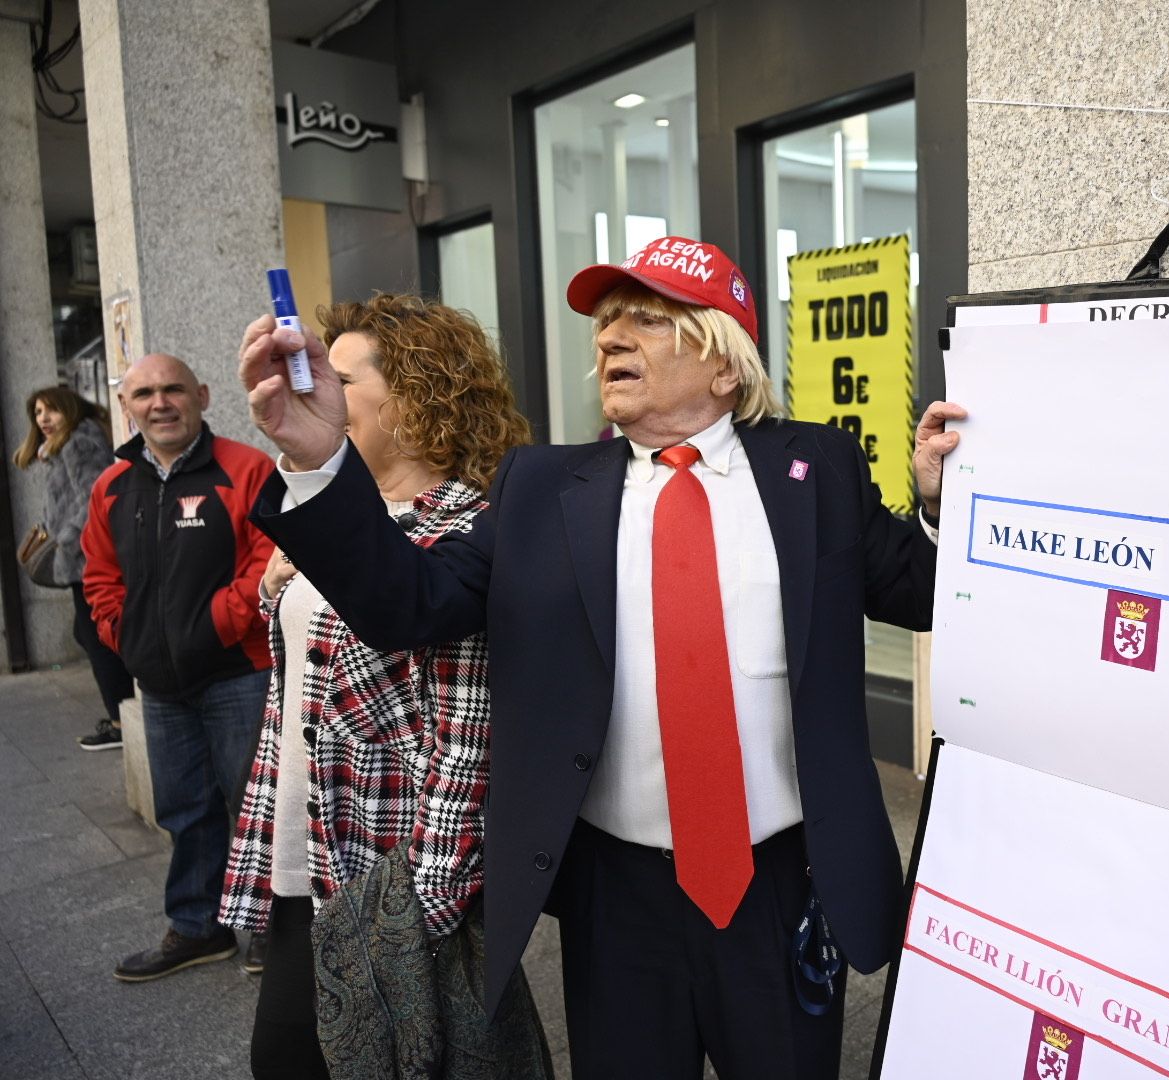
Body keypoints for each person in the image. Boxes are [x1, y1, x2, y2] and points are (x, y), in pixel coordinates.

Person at [239, 236, 965, 1079]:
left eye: (647, 320)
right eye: (607, 321)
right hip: (616, 904)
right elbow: (410, 605)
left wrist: (939, 505)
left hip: (782, 885)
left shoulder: (819, 468)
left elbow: (915, 592)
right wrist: (321, 460)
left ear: (724, 365)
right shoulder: (541, 489)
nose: (611, 337)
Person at [219, 295, 534, 1078]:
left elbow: (467, 738)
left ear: (419, 396)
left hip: (385, 881)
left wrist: (419, 911)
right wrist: (280, 588)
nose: (312, 388)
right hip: (301, 856)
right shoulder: (328, 517)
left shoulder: (469, 530)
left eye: (337, 375)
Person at [81, 353, 276, 981]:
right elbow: (100, 579)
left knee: (254, 803)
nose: (159, 403)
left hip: (238, 673)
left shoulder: (246, 469)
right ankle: (199, 927)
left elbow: (269, 563)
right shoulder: (110, 486)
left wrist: (217, 623)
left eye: (172, 390)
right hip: (159, 684)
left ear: (202, 395)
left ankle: (274, 931)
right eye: (144, 394)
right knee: (183, 808)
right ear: (128, 407)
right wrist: (127, 639)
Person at [12, 387, 134, 748]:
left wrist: (66, 537)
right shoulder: (65, 445)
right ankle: (123, 710)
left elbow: (93, 495)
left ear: (70, 410)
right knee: (91, 634)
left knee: (97, 637)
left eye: (51, 411)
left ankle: (120, 721)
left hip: (86, 558)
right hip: (81, 558)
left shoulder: (80, 442)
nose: (44, 419)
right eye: (37, 413)